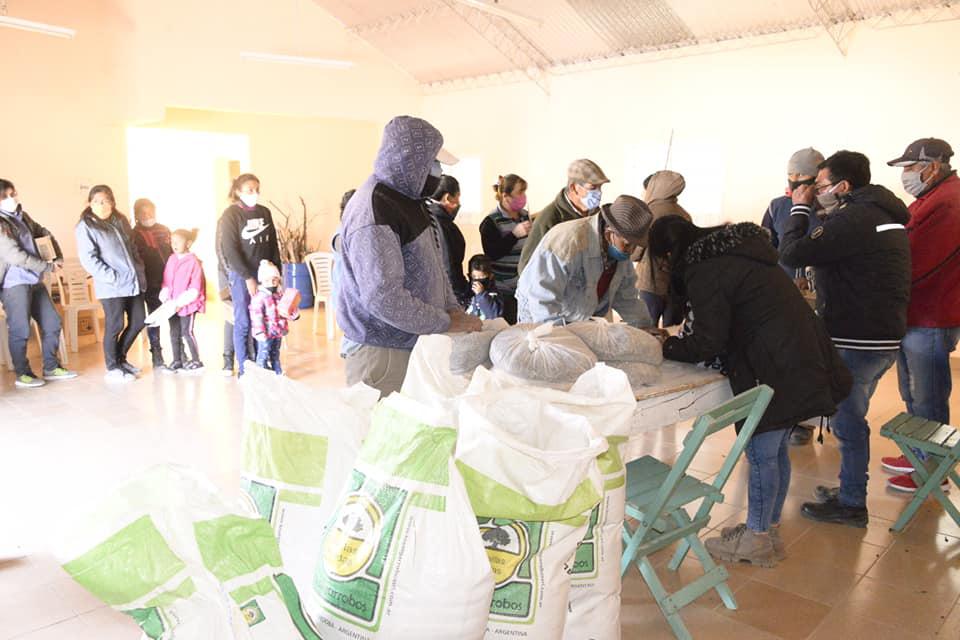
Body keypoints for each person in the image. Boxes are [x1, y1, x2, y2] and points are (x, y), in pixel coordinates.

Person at [648, 215, 851, 566]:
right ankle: (766, 529)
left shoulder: (705, 268)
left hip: (776, 366)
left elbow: (707, 340)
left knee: (760, 453)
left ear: (670, 252)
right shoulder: (737, 254)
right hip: (798, 358)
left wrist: (663, 347)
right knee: (775, 451)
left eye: (662, 260)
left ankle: (757, 540)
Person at [781, 150, 911, 528]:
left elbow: (791, 252)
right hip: (881, 334)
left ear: (843, 186)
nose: (814, 191)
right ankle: (849, 489)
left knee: (849, 422)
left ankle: (853, 503)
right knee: (850, 417)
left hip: (858, 338)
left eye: (819, 185)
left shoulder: (853, 217)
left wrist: (800, 210)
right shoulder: (882, 213)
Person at [337, 115, 481, 395]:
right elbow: (383, 296)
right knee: (386, 436)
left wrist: (452, 309)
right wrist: (445, 321)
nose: (437, 172)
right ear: (410, 160)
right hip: (383, 353)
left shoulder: (410, 201)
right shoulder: (375, 209)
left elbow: (435, 266)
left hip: (412, 345)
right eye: (433, 164)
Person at [883, 138, 960, 491]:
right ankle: (917, 453)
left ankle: (932, 470)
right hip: (915, 312)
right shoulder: (931, 198)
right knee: (913, 392)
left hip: (931, 314)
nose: (907, 175)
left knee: (929, 395)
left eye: (911, 168)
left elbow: (918, 262)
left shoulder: (948, 202)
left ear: (933, 166)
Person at [762, 148, 827, 446]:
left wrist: (810, 276)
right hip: (782, 296)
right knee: (784, 359)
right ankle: (785, 417)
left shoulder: (829, 208)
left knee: (812, 361)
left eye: (805, 179)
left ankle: (807, 422)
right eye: (792, 178)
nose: (797, 185)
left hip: (820, 299)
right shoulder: (777, 206)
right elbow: (766, 244)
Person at [517, 195, 654, 328]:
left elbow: (627, 298)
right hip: (541, 316)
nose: (631, 251)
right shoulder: (569, 241)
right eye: (628, 244)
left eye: (635, 245)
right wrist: (555, 337)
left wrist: (645, 327)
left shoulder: (619, 254)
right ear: (609, 233)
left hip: (579, 317)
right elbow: (542, 298)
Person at [0, 179, 76, 388]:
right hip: (14, 284)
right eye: (5, 196)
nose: (11, 199)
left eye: (13, 193)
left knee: (53, 322)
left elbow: (43, 233)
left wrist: (57, 256)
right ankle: (23, 373)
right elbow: (16, 256)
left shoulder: (22, 216)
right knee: (20, 329)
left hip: (34, 280)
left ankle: (51, 367)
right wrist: (48, 267)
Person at [75, 185, 147, 383]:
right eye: (96, 201)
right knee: (115, 325)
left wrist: (138, 269)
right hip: (111, 286)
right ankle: (112, 366)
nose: (100, 204)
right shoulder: (86, 226)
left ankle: (121, 359)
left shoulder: (120, 220)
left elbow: (132, 247)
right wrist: (112, 277)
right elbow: (89, 259)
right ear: (90, 203)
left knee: (139, 321)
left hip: (132, 282)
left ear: (112, 202)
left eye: (105, 200)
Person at [217, 173, 281, 376]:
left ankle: (261, 363)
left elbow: (273, 245)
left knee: (263, 320)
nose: (254, 194)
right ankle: (244, 366)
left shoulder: (265, 212)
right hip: (242, 276)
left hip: (265, 276)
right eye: (249, 190)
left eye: (257, 190)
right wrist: (247, 277)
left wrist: (276, 272)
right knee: (244, 321)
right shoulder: (230, 215)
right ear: (238, 192)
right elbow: (230, 250)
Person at [517, 159, 609, 274]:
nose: (599, 193)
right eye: (592, 188)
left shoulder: (597, 216)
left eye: (600, 187)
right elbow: (526, 268)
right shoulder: (549, 219)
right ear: (574, 188)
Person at [634, 170, 691, 327]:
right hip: (676, 286)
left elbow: (635, 252)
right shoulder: (684, 214)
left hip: (650, 285)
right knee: (672, 331)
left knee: (645, 330)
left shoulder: (648, 212)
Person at [479, 174, 531, 323]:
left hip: (525, 288)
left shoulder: (525, 216)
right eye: (520, 192)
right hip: (505, 291)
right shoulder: (490, 222)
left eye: (524, 192)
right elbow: (492, 254)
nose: (523, 196)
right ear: (505, 196)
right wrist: (514, 235)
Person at [131, 198, 176, 372]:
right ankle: (157, 354)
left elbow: (173, 252)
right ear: (136, 215)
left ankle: (179, 354)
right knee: (154, 317)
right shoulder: (133, 234)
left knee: (174, 316)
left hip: (169, 280)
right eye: (143, 213)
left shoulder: (164, 230)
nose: (147, 216)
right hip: (149, 282)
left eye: (150, 212)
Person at [159, 228, 206, 372]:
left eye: (178, 242)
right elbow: (166, 281)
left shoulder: (193, 262)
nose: (174, 245)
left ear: (188, 243)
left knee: (187, 332)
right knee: (174, 332)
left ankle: (196, 361)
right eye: (172, 242)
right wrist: (166, 297)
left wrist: (180, 303)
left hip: (187, 305)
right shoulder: (172, 259)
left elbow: (195, 287)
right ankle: (177, 360)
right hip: (172, 305)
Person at [427, 175, 470, 307]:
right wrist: (462, 294)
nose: (459, 202)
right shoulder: (441, 223)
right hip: (449, 294)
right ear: (447, 198)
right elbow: (449, 264)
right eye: (457, 196)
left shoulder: (427, 217)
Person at [250, 260, 298, 375]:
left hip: (278, 332)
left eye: (274, 279)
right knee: (263, 353)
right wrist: (260, 332)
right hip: (265, 334)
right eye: (267, 280)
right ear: (262, 281)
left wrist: (294, 314)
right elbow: (256, 316)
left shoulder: (280, 295)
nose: (271, 283)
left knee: (275, 353)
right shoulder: (259, 298)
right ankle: (261, 375)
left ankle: (277, 372)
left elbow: (288, 309)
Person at [465, 254, 502, 320]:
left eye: (481, 277)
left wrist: (481, 294)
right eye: (474, 277)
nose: (477, 280)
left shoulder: (495, 294)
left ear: (490, 276)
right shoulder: (468, 292)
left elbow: (494, 315)